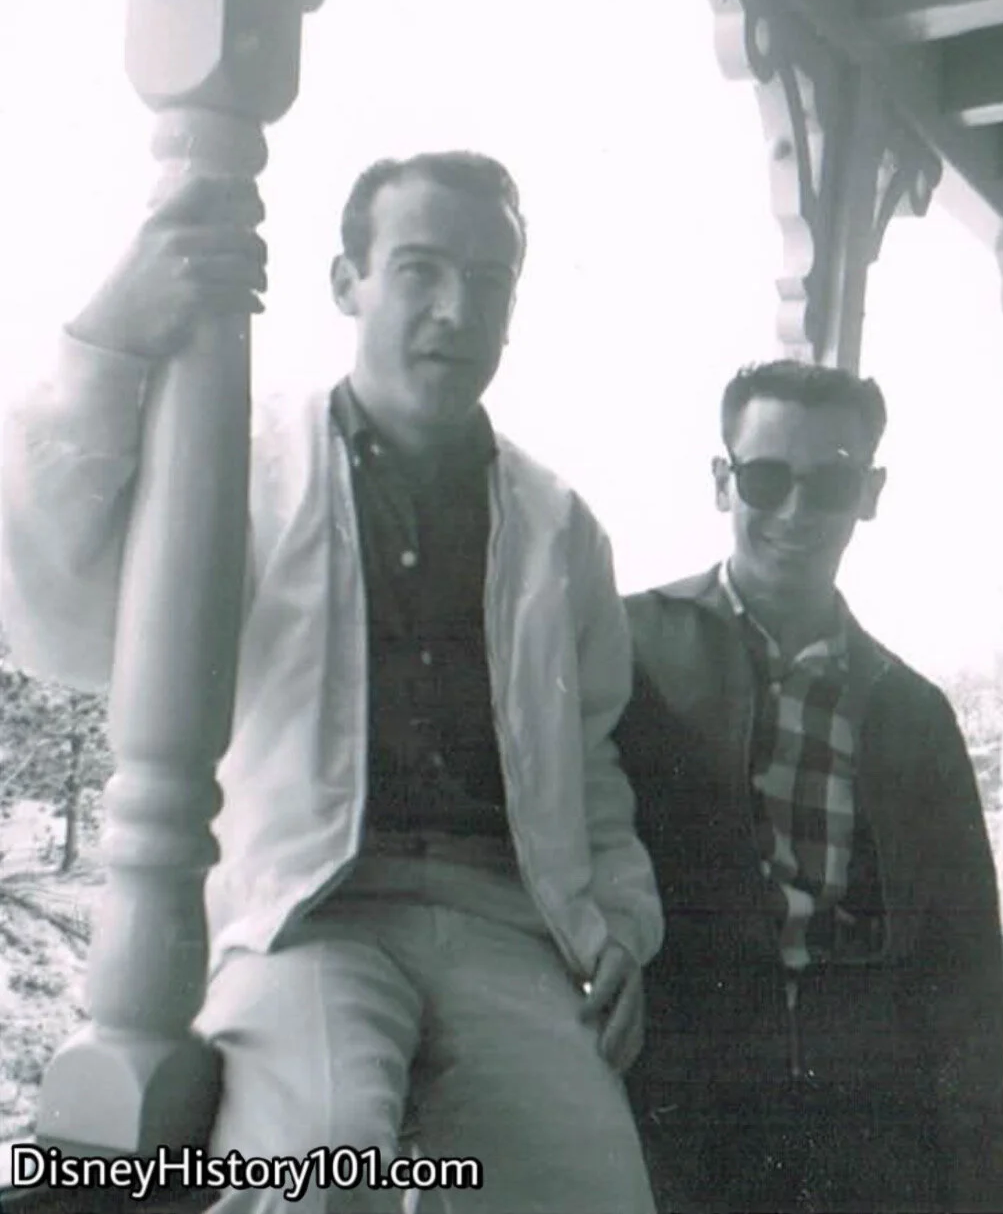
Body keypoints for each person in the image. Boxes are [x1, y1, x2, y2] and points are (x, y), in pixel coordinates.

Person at [0, 152, 662, 1214]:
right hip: (308, 913)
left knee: (592, 1188)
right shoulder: (245, 462)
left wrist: (621, 924)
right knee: (314, 1166)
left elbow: (589, 759)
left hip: (505, 920)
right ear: (347, 281)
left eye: (488, 281)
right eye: (419, 269)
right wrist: (107, 342)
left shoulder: (557, 524)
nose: (457, 308)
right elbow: (62, 619)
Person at [616, 360, 1003, 1214]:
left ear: (869, 492)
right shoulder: (630, 650)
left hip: (866, 1133)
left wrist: (985, 1187)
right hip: (684, 1123)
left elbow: (966, 977)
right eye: (767, 478)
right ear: (722, 481)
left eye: (830, 482)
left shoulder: (913, 713)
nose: (797, 511)